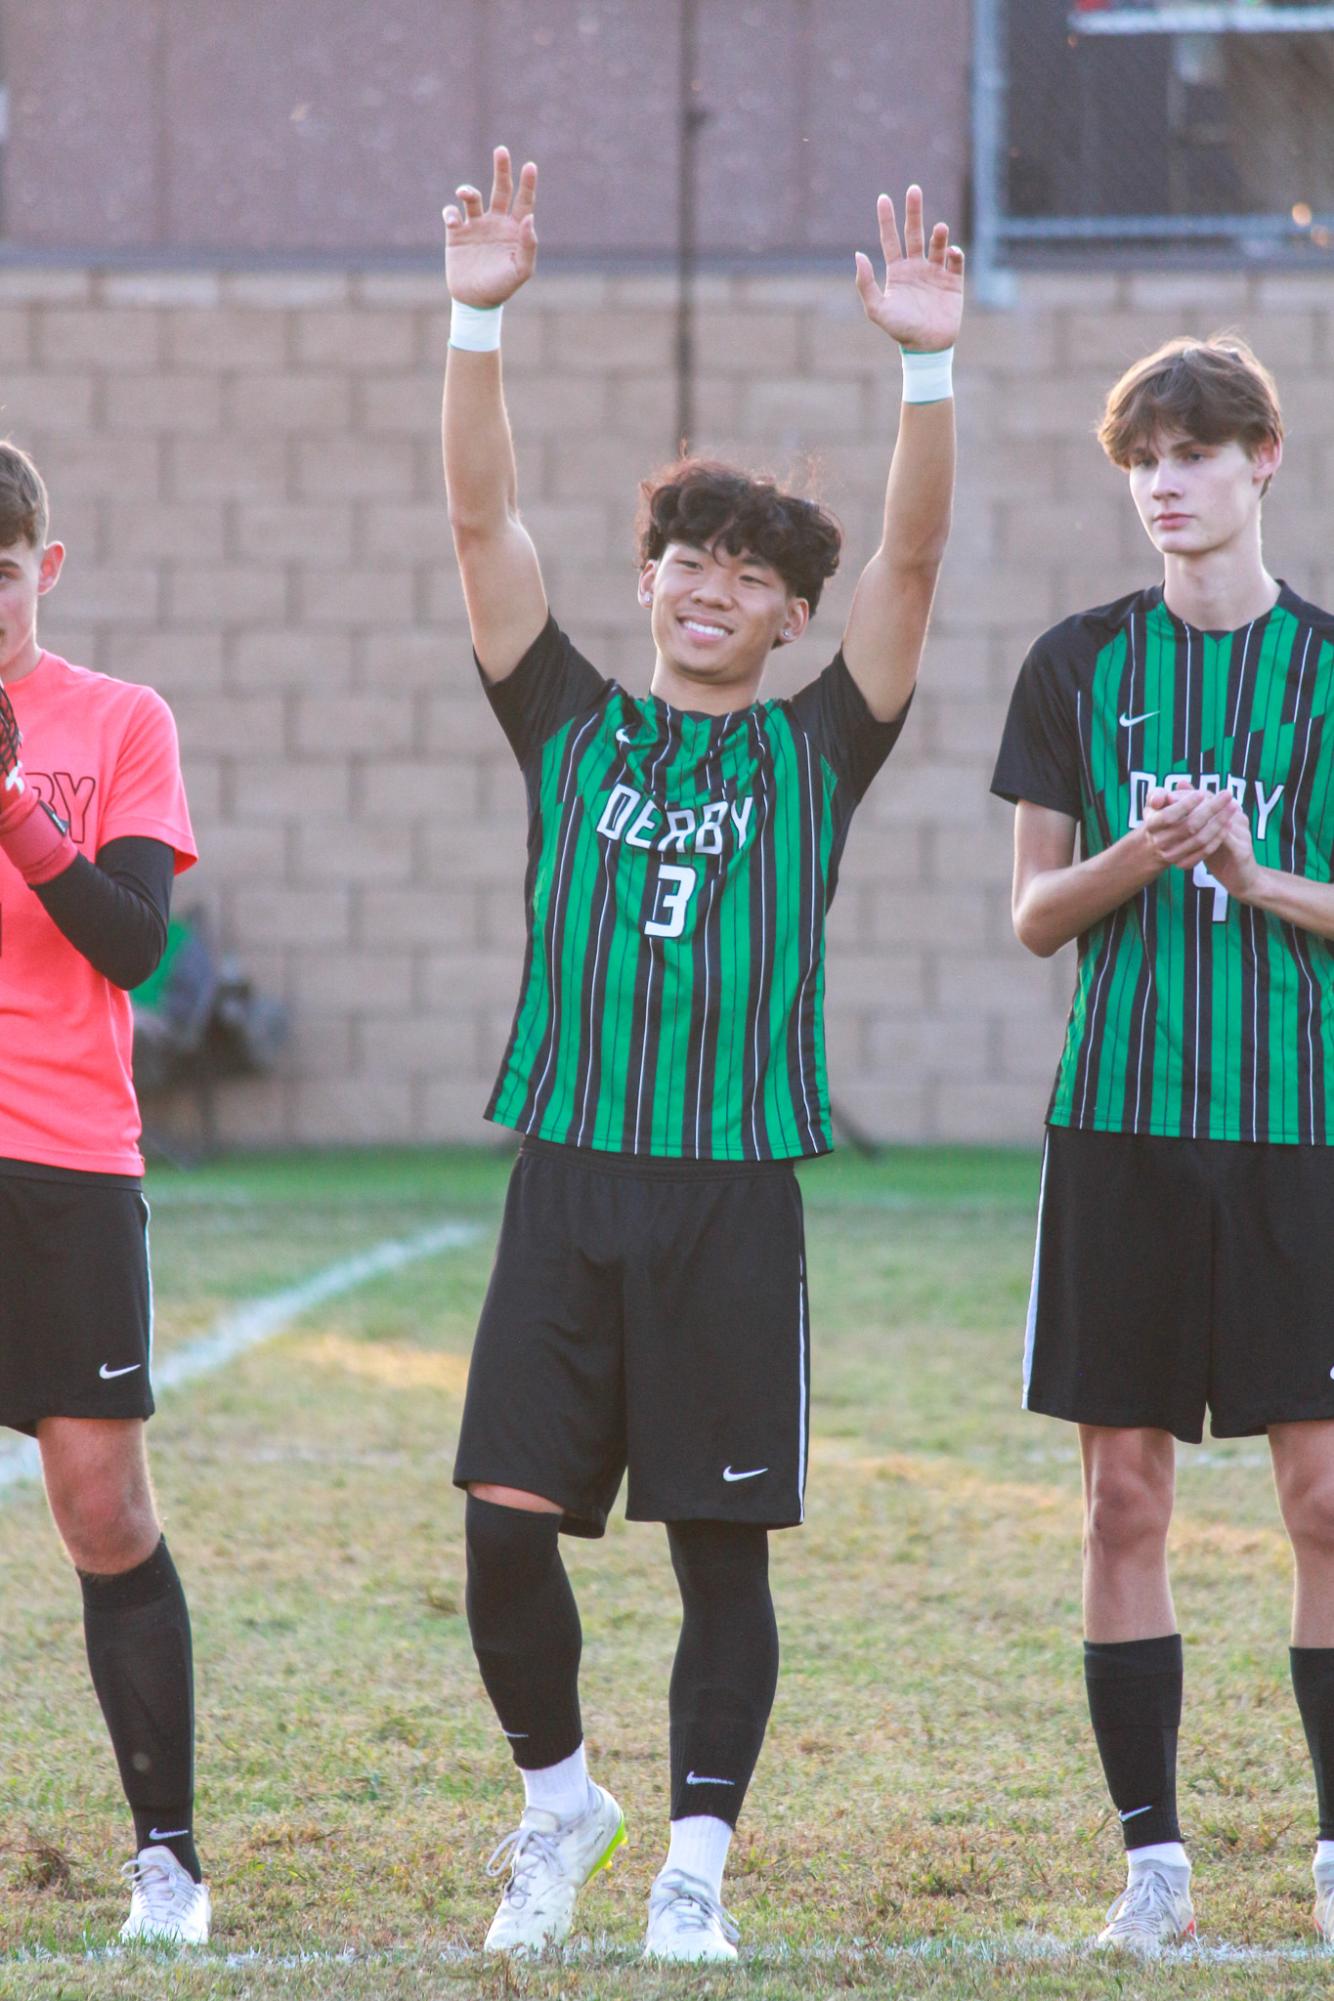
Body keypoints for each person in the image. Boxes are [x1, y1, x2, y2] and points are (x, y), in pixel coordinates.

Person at [440, 146, 962, 1962]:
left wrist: (923, 367)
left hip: (734, 1196)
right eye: (683, 563)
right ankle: (556, 1804)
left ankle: (692, 1871)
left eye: (744, 574)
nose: (705, 589)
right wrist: (474, 319)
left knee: (711, 1556)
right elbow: (480, 532)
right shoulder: (568, 725)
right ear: (649, 583)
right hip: (567, 1179)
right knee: (505, 1528)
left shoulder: (814, 755)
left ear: (785, 616)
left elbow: (909, 552)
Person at [992, 333, 1334, 1954]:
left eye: (1194, 453)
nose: (1164, 482)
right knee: (1122, 1499)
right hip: (1118, 1127)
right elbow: (1032, 917)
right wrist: (1144, 847)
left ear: (1262, 460)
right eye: (1143, 459)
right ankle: (1152, 1865)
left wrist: (1259, 879)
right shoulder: (1075, 664)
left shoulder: (1329, 671)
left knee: (1323, 1498)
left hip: (1296, 1133)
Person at [0, 442, 208, 1944]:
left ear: (43, 572)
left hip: (69, 1158)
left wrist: (15, 803)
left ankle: (169, 1862)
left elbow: (138, 945)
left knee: (102, 1506)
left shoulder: (122, 720)